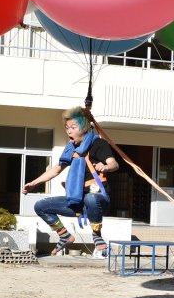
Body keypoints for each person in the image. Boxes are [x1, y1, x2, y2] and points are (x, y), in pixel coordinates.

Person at [22, 106, 120, 258]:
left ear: (84, 127)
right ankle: (64, 236)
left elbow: (115, 164)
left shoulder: (98, 144)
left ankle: (97, 236)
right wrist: (34, 183)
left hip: (98, 201)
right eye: (67, 128)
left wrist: (105, 167)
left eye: (73, 127)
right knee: (41, 206)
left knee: (91, 198)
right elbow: (56, 169)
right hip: (78, 202)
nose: (69, 131)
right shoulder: (71, 149)